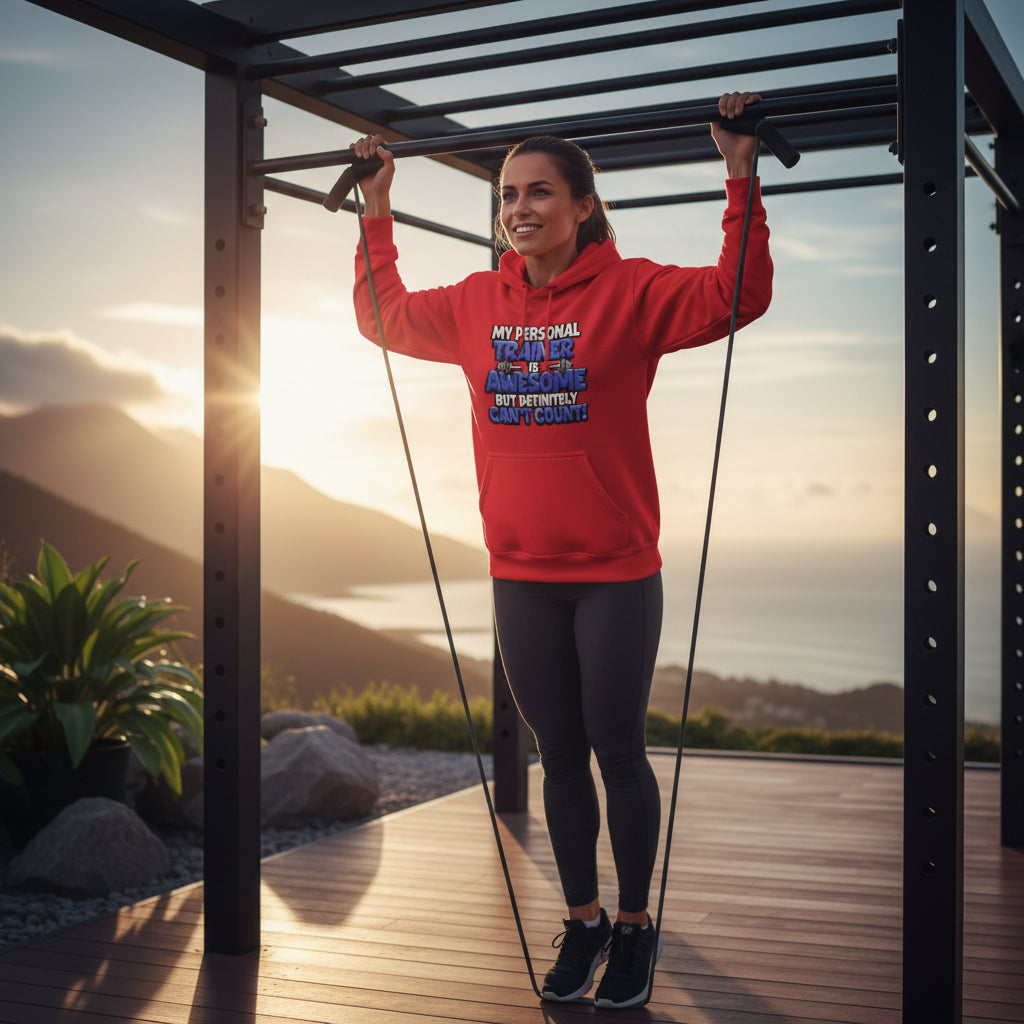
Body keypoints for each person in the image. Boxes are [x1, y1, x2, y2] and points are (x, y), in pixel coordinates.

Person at [350, 91, 772, 1009]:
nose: (519, 208)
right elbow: (383, 315)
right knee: (559, 755)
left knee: (617, 750)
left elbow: (735, 293)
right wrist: (378, 206)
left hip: (616, 574)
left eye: (539, 192)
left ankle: (635, 928)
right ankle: (584, 922)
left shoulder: (632, 292)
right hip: (521, 577)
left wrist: (739, 172)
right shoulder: (475, 303)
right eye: (508, 194)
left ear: (584, 206)